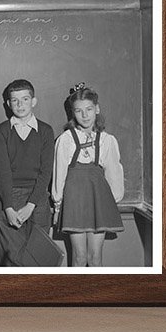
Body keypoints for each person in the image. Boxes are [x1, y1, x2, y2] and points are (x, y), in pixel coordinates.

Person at [0, 78, 63, 268]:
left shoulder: (45, 131)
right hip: (8, 200)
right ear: (8, 104)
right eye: (15, 100)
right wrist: (8, 208)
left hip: (37, 200)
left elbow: (46, 172)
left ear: (34, 101)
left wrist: (31, 205)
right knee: (12, 261)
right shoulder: (0, 132)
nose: (20, 105)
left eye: (25, 99)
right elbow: (2, 173)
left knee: (38, 260)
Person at [52, 82, 124, 267]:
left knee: (95, 258)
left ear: (97, 109)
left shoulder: (107, 140)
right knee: (79, 257)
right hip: (74, 200)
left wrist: (110, 202)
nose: (84, 115)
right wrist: (58, 202)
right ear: (72, 113)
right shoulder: (66, 139)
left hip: (98, 200)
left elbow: (114, 172)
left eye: (89, 109)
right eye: (78, 111)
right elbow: (59, 172)